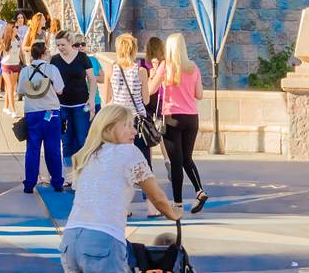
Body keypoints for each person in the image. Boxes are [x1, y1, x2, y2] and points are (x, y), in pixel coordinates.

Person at [59, 104, 181, 273]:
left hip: (70, 239)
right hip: (103, 241)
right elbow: (157, 197)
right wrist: (173, 213)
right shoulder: (129, 152)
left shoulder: (88, 155)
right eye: (128, 125)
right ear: (110, 128)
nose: (135, 132)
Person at [155, 33, 207, 214]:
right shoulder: (193, 68)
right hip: (192, 118)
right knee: (187, 158)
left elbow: (151, 89)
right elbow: (199, 94)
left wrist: (156, 74)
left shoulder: (165, 67)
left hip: (172, 118)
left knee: (176, 162)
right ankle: (199, 190)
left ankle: (177, 204)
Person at [103, 34, 158, 170]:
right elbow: (146, 100)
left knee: (118, 156)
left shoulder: (110, 69)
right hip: (136, 118)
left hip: (118, 118)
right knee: (143, 157)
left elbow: (107, 98)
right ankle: (147, 189)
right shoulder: (141, 71)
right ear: (133, 50)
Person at [18, 40, 65, 194]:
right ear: (44, 53)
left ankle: (29, 183)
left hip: (32, 112)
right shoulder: (52, 69)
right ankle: (57, 181)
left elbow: (21, 91)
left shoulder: (25, 71)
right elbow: (60, 89)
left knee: (32, 149)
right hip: (51, 112)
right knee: (53, 149)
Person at [50, 32, 94, 169]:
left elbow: (92, 79)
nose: (60, 47)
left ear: (70, 43)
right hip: (62, 105)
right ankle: (69, 173)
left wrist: (91, 99)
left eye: (63, 44)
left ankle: (85, 170)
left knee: (82, 139)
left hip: (81, 104)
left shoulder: (82, 57)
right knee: (66, 140)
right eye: (58, 45)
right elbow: (51, 82)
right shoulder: (55, 60)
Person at [0, 20, 25, 116]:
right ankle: (13, 110)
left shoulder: (17, 40)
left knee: (10, 88)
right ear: (11, 29)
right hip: (6, 66)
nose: (17, 29)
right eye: (15, 27)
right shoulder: (5, 41)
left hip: (16, 65)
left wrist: (24, 62)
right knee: (11, 88)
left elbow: (20, 53)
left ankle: (5, 107)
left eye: (17, 27)